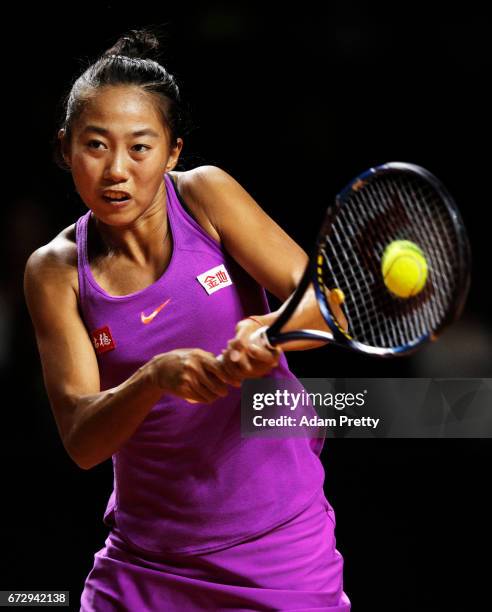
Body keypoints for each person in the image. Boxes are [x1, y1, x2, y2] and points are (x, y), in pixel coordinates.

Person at [24, 28, 351, 611]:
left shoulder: (206, 196)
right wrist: (153, 378)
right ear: (65, 150)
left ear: (172, 152)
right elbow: (81, 440)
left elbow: (327, 306)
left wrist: (268, 333)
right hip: (147, 558)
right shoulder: (55, 271)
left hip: (278, 542)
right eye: (95, 146)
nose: (116, 170)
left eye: (140, 147)